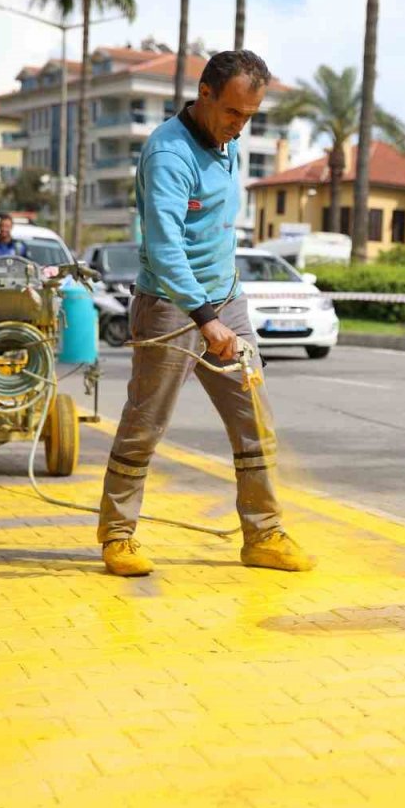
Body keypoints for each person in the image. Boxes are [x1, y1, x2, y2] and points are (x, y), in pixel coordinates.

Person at [96, 49, 315, 577]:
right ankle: (118, 537)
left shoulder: (227, 144)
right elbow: (166, 244)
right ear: (206, 94)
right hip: (172, 306)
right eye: (233, 113)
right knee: (144, 425)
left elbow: (213, 229)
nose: (239, 127)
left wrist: (223, 309)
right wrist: (204, 317)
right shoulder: (168, 154)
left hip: (225, 303)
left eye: (250, 117)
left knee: (254, 422)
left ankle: (263, 534)